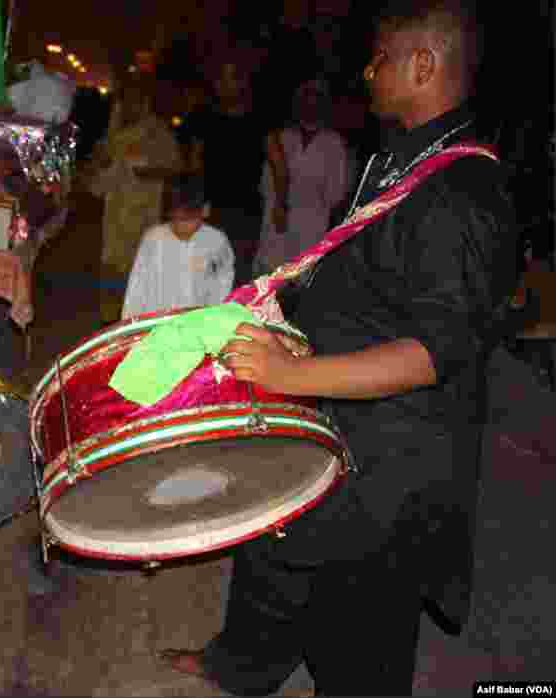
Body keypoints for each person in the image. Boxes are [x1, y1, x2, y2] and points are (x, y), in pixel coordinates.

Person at [158, 1, 518, 694]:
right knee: (274, 544)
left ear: (422, 65)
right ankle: (245, 665)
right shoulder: (395, 158)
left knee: (361, 622)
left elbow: (433, 353)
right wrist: (285, 314)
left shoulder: (462, 193)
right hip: (333, 409)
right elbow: (359, 272)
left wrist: (295, 372)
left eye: (380, 58)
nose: (367, 70)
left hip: (392, 457)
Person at [90, 76, 183, 324]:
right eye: (126, 99)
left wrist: (152, 171)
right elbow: (95, 183)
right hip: (114, 227)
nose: (130, 105)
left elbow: (176, 166)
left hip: (144, 224)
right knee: (111, 292)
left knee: (139, 290)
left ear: (144, 102)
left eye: (136, 99)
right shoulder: (114, 134)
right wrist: (100, 163)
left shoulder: (156, 133)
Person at [180, 61, 270, 284]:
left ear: (243, 83)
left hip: (246, 211)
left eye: (232, 78)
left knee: (238, 270)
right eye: (222, 78)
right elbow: (194, 164)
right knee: (204, 268)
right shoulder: (204, 116)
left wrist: (280, 204)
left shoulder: (258, 118)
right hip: (212, 208)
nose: (226, 84)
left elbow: (277, 162)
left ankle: (232, 315)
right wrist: (191, 203)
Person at [255, 77, 352, 275]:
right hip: (277, 222)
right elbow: (266, 181)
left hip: (312, 225)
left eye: (316, 98)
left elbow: (337, 192)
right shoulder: (282, 137)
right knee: (269, 278)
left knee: (303, 279)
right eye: (306, 98)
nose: (311, 104)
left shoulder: (333, 143)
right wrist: (277, 206)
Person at [121, 174, 235, 319]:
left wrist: (214, 311)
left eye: (187, 220)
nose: (181, 227)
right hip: (156, 319)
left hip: (195, 320)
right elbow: (137, 284)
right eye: (175, 220)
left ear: (205, 211)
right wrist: (130, 322)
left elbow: (224, 275)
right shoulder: (154, 239)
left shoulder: (216, 240)